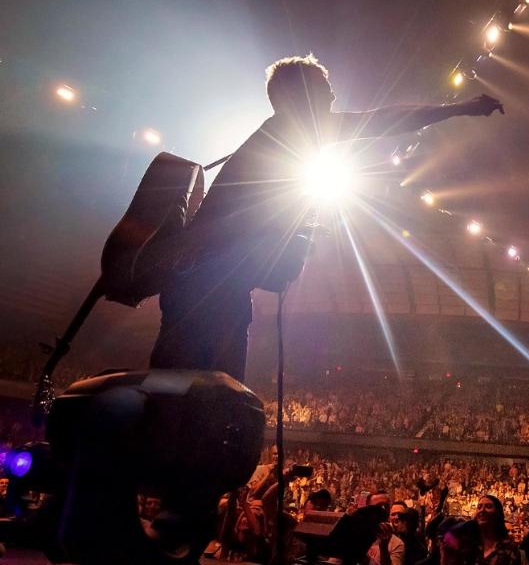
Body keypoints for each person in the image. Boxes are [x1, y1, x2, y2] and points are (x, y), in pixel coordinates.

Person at [150, 54, 504, 381]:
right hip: (207, 289)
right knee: (199, 399)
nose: (332, 98)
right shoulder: (285, 135)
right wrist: (459, 108)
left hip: (210, 285)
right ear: (298, 96)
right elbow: (382, 120)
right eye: (324, 89)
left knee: (196, 394)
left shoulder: (278, 139)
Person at [475, 495, 521, 565]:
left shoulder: (509, 549)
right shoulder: (471, 544)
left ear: (497, 513)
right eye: (479, 507)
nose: (482, 510)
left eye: (488, 506)